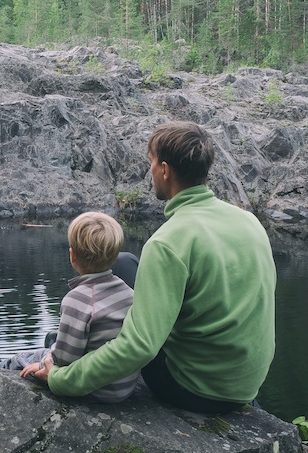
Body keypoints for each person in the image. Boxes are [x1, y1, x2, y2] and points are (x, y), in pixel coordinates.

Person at [32, 121, 276, 414]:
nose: (150, 173)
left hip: (195, 389)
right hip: (244, 386)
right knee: (123, 263)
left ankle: (69, 344)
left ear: (164, 169)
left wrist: (62, 380)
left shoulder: (167, 243)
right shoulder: (248, 221)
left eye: (150, 163)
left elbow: (141, 347)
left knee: (121, 271)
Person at [0, 212, 138, 403]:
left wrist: (45, 362)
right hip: (123, 387)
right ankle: (57, 339)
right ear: (114, 257)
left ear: (72, 256)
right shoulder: (128, 292)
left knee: (34, 356)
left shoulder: (77, 300)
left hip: (95, 390)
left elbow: (64, 360)